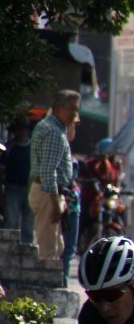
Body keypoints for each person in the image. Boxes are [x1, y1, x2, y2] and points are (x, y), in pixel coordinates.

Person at [28, 90, 79, 261]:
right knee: (48, 248)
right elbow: (48, 171)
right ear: (59, 108)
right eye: (71, 109)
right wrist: (55, 202)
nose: (74, 114)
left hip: (49, 192)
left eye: (76, 109)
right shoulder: (53, 132)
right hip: (48, 193)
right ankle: (44, 286)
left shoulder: (55, 128)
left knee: (58, 246)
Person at [79, 137, 123, 247]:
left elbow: (117, 183)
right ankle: (77, 242)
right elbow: (79, 176)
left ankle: (122, 235)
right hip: (92, 200)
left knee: (121, 211)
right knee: (83, 219)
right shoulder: (90, 164)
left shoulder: (115, 166)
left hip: (108, 201)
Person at [2, 118, 35, 244]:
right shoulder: (8, 148)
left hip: (30, 187)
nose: (22, 132)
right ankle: (5, 244)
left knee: (28, 221)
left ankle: (27, 246)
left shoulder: (33, 149)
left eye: (24, 129)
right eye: (19, 129)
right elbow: (2, 170)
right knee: (10, 218)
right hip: (12, 187)